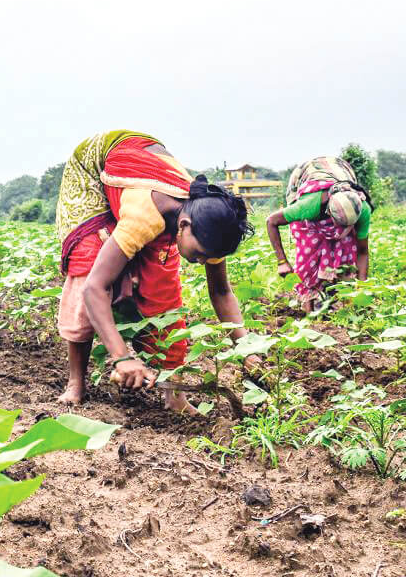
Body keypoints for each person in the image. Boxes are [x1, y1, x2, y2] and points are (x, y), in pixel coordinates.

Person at [54, 130, 257, 407]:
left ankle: (175, 397)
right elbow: (94, 288)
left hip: (145, 177)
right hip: (92, 169)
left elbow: (221, 292)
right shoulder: (144, 216)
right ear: (183, 226)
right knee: (89, 261)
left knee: (163, 290)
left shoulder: (210, 224)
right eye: (198, 255)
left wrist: (246, 349)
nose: (199, 262)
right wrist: (122, 357)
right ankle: (76, 382)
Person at [266, 155, 372, 313]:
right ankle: (310, 306)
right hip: (304, 176)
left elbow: (362, 251)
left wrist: (362, 288)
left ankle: (338, 297)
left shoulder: (363, 209)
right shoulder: (309, 205)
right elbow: (271, 221)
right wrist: (282, 262)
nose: (340, 230)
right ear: (329, 212)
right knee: (309, 252)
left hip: (341, 171)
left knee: (346, 246)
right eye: (338, 224)